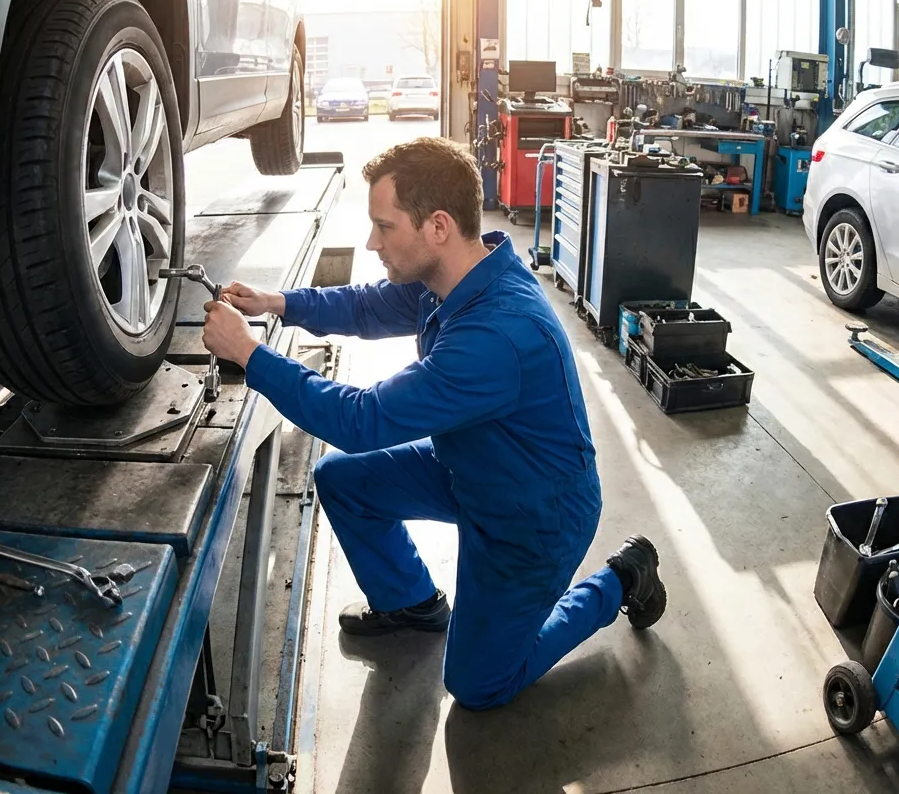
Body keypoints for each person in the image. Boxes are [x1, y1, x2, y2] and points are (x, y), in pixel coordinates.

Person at [202, 136, 667, 711]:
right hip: (471, 467)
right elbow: (368, 306)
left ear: (438, 226)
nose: (372, 242)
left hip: (532, 516)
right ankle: (412, 601)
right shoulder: (453, 276)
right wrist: (277, 303)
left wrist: (250, 355)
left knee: (477, 685)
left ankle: (621, 578)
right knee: (343, 480)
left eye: (384, 226)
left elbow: (362, 419)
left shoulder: (498, 336)